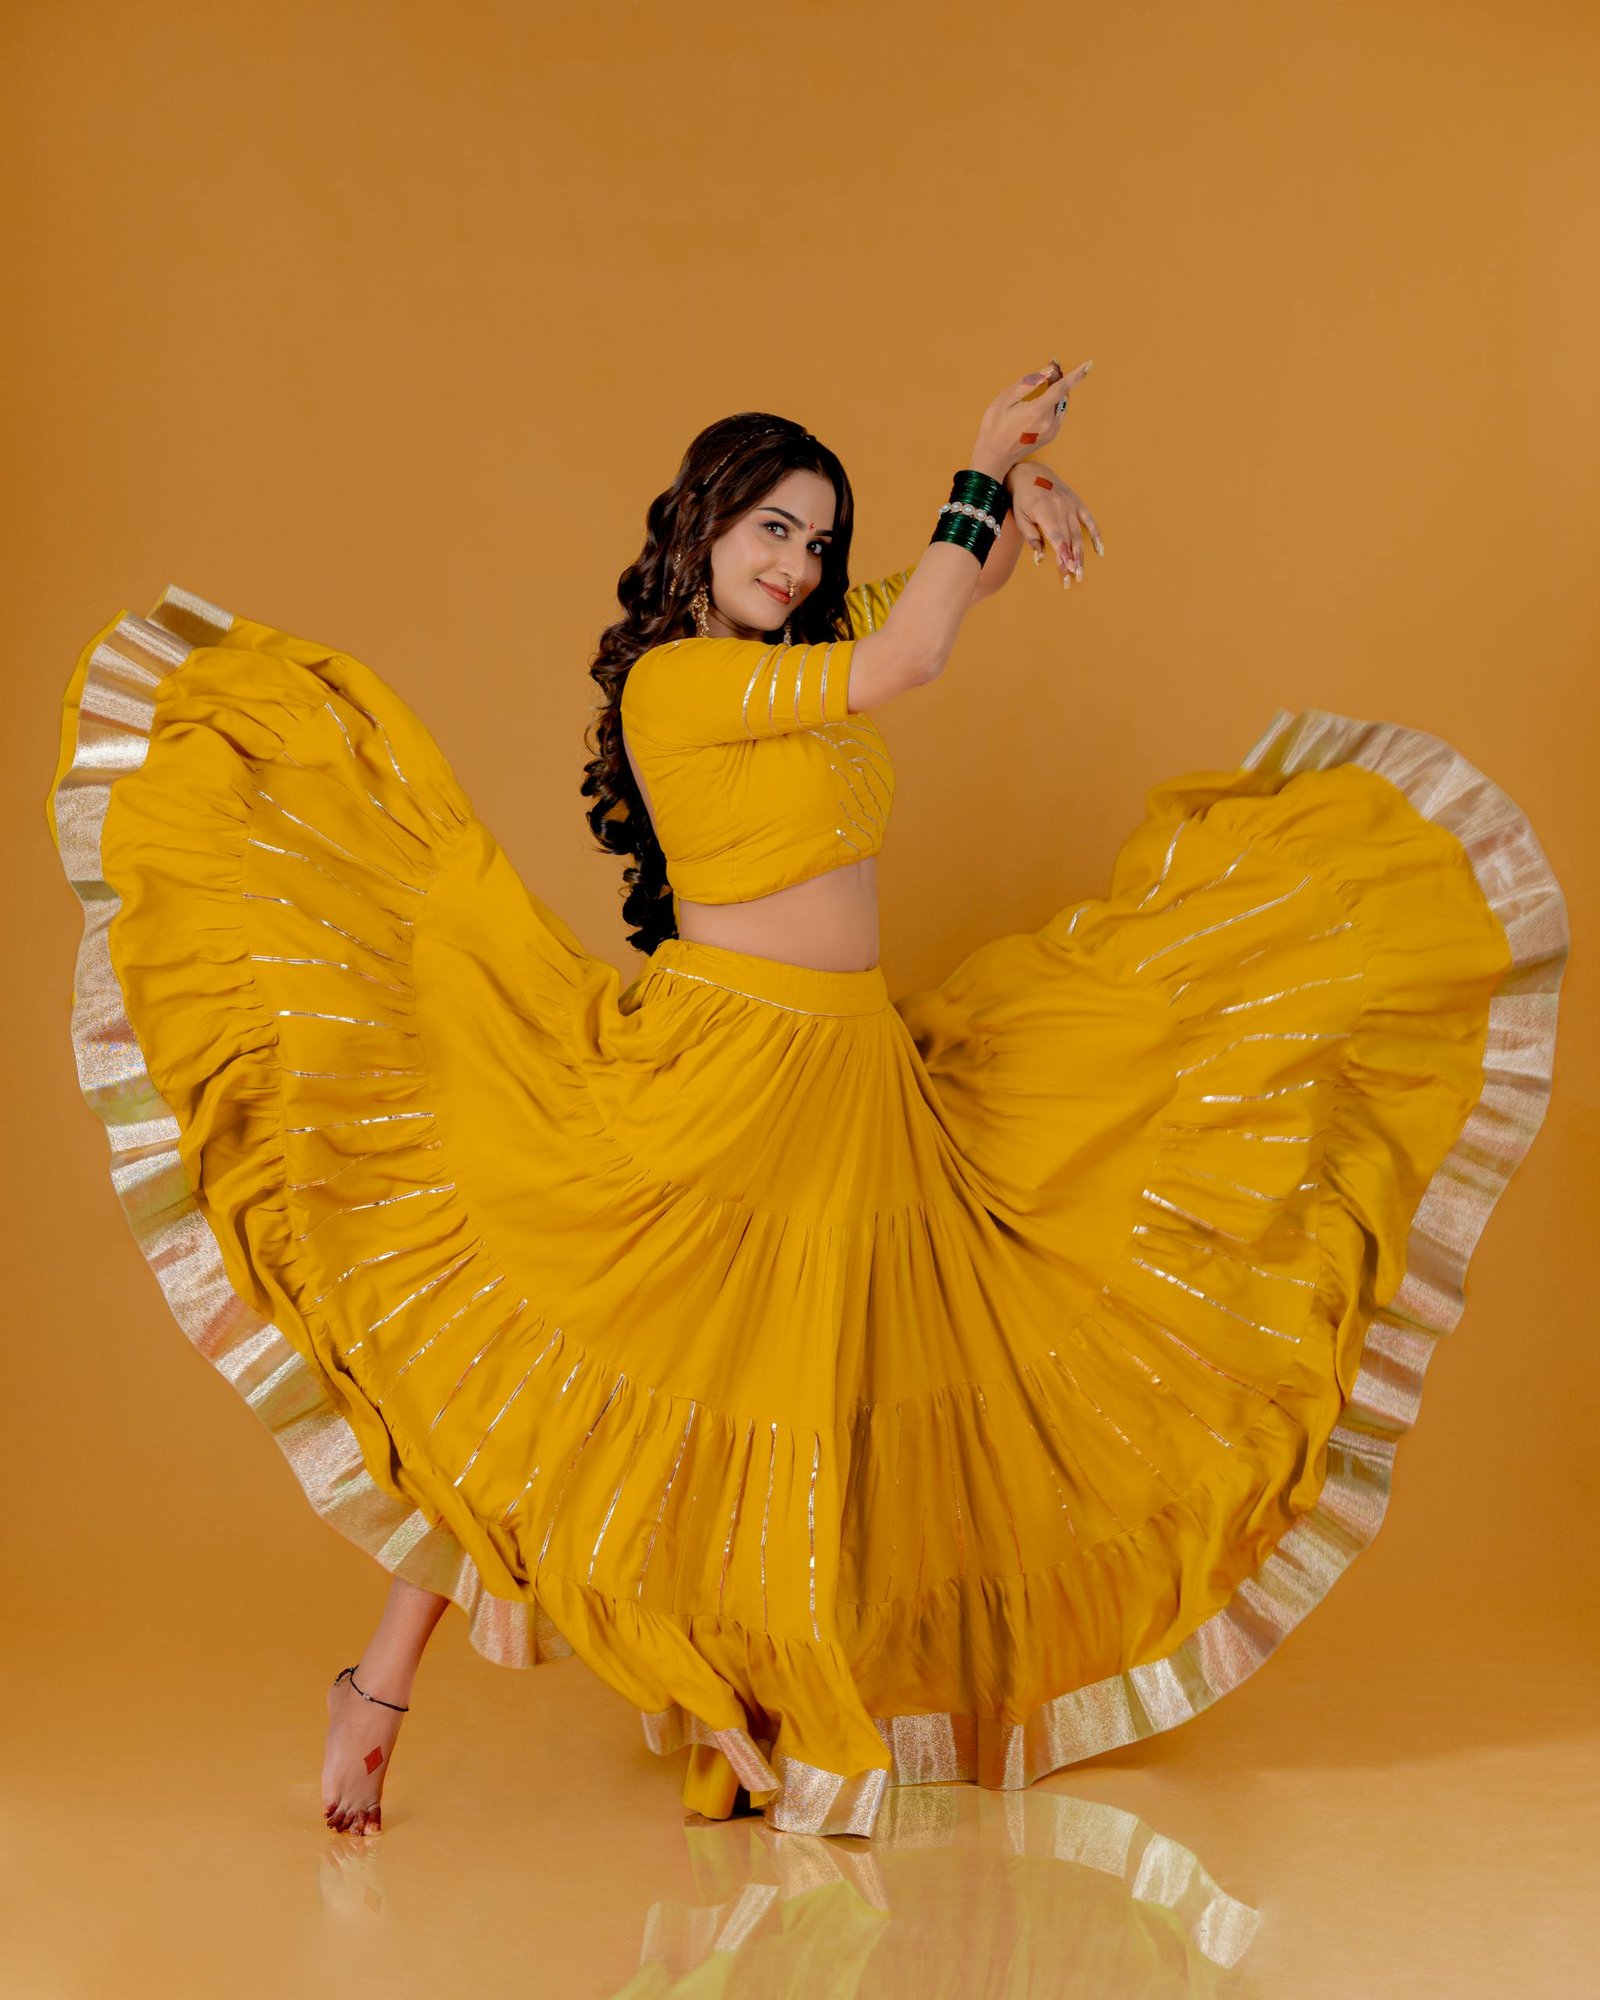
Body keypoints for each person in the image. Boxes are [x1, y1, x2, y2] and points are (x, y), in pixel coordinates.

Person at [46, 360, 1567, 1842]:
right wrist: (978, 461)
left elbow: (925, 608)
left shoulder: (792, 675)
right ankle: (376, 1696)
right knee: (552, 1405)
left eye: (819, 539)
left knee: (802, 1409)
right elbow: (910, 656)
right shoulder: (683, 681)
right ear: (703, 528)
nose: (799, 559)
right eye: (774, 525)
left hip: (848, 1081)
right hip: (722, 1080)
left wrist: (1013, 508)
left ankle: (741, 1689)